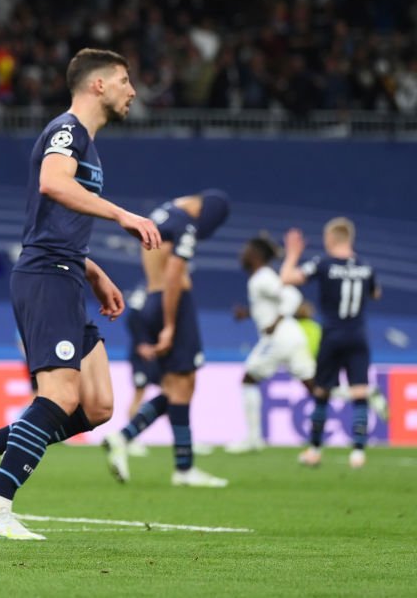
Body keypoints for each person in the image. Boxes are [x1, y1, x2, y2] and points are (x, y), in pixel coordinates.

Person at [0, 49, 161, 540]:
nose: (132, 90)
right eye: (125, 80)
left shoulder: (87, 143)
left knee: (98, 404)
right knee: (59, 396)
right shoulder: (69, 131)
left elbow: (55, 220)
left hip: (65, 272)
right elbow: (52, 183)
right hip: (46, 275)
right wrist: (122, 215)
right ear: (98, 85)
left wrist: (93, 270)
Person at [104, 190, 231, 488]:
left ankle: (123, 438)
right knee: (185, 384)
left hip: (150, 297)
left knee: (174, 388)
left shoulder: (163, 214)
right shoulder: (187, 224)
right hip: (172, 303)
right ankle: (183, 469)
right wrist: (171, 324)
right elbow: (174, 275)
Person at [280, 218, 381, 469]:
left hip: (333, 335)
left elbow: (287, 278)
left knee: (322, 392)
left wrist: (293, 254)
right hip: (358, 335)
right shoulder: (366, 266)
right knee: (359, 392)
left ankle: (314, 450)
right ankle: (358, 453)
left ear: (331, 239)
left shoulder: (323, 263)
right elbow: (375, 294)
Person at [225, 234, 315, 453]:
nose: (242, 255)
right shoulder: (260, 278)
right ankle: (364, 394)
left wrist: (276, 322)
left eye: (246, 251)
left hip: (279, 338)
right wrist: (247, 314)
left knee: (248, 379)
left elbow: (292, 296)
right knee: (316, 386)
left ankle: (254, 439)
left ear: (255, 255)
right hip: (292, 337)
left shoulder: (262, 277)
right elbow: (270, 305)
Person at [123, 285, 159, 457]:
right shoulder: (144, 292)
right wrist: (141, 342)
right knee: (139, 393)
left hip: (157, 354)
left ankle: (181, 436)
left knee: (172, 393)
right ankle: (130, 438)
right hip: (141, 356)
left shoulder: (161, 292)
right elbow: (132, 318)